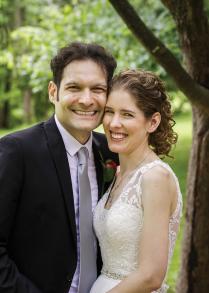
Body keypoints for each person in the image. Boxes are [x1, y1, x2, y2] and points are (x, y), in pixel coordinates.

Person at [0, 42, 118, 293]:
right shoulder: (16, 151)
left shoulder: (110, 153)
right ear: (53, 92)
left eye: (97, 89)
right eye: (74, 87)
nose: (87, 100)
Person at [90, 69, 183, 293]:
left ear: (152, 122)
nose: (113, 123)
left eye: (127, 114)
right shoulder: (120, 173)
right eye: (110, 112)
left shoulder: (155, 178)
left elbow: (151, 276)